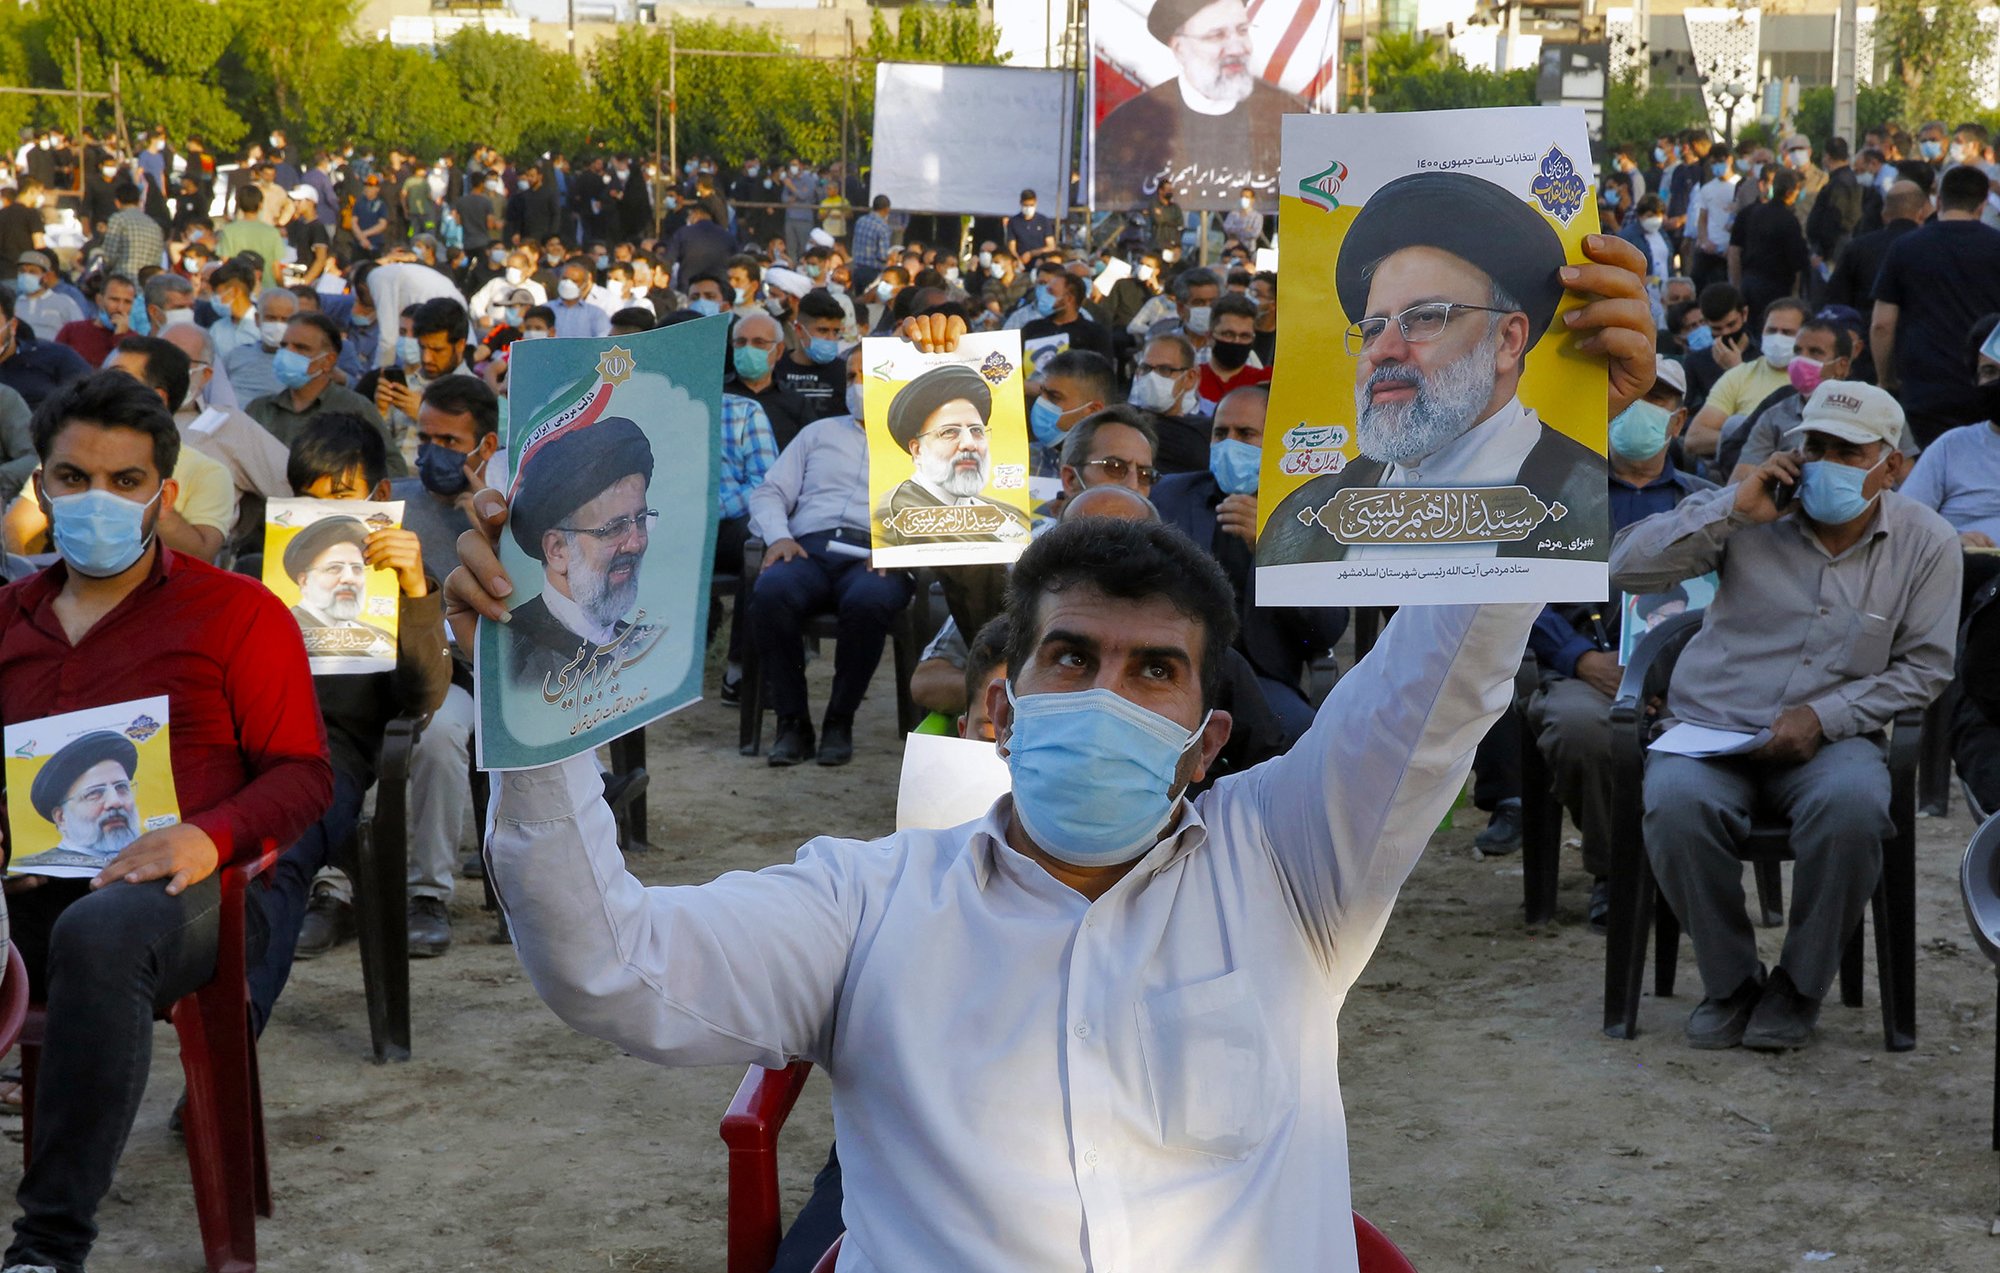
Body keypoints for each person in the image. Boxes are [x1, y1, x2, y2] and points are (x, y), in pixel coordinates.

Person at [0, 372, 331, 1273]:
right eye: (72, 479)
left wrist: (208, 836)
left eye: (125, 481)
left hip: (186, 897)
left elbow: (304, 774)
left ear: (164, 494)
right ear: (39, 486)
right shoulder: (8, 620)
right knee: (68, 923)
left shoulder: (237, 615)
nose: (96, 500)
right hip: (27, 894)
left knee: (101, 930)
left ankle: (48, 1242)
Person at [1610, 380, 1960, 1050]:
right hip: (1714, 722)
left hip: (1833, 737)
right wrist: (1731, 512)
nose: (1823, 462)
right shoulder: (1753, 510)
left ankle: (1799, 986)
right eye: (1815, 446)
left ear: (1894, 466)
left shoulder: (1926, 543)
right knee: (1676, 802)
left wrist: (1823, 716)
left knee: (1855, 806)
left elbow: (1925, 668)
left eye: (1847, 451)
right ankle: (1733, 981)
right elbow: (1624, 567)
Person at [1259, 172, 1609, 565]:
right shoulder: (1304, 516)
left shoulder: (1590, 501)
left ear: (1508, 340)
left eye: (1425, 318)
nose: (1383, 351)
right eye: (1374, 329)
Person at [253, 413, 450, 1009]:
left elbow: (421, 701)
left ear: (380, 496)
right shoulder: (254, 568)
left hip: (324, 751)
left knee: (277, 857)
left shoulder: (404, 582)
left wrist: (415, 590)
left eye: (340, 497)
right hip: (239, 740)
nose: (321, 512)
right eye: (307, 501)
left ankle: (233, 1032)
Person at [1523, 356, 1711, 930]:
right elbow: (1520, 589)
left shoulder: (1708, 503)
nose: (1638, 410)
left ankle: (1688, 872)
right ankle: (1617, 872)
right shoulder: (1553, 492)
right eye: (1628, 394)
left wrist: (1681, 677)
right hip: (1590, 668)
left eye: (1656, 399)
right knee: (1581, 730)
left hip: (1694, 677)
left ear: (1676, 422)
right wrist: (1578, 659)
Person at [745, 345, 915, 767]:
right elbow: (770, 492)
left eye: (869, 376)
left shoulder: (921, 443)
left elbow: (940, 510)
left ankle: (840, 720)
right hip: (808, 548)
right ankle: (792, 723)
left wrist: (901, 549)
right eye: (852, 375)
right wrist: (779, 537)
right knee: (771, 591)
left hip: (875, 556)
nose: (858, 386)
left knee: (870, 601)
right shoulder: (818, 434)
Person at [1153, 383, 1346, 741]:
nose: (1229, 445)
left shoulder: (1312, 510)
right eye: (1220, 433)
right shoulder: (1172, 493)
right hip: (1171, 668)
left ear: (1273, 440)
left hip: (1260, 682)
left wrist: (1274, 547)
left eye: (1245, 434)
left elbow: (1327, 628)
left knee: (1300, 735)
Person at [501, 416, 662, 699]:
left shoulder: (646, 641)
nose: (635, 543)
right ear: (557, 549)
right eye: (614, 528)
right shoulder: (513, 656)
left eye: (640, 520)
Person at [1093, 0, 1301, 207]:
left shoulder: (1289, 112)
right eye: (1217, 35)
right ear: (1179, 48)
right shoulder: (1127, 124)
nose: (1237, 48)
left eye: (1242, 30)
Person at [1871, 164, 2000, 445]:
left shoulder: (1905, 247)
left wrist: (1886, 378)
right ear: (1982, 205)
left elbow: (1882, 324)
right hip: (1986, 388)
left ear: (1939, 201)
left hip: (1924, 389)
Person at [873, 363, 1033, 547]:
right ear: (917, 450)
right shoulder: (894, 514)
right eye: (949, 432)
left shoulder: (1010, 514)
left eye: (976, 430)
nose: (969, 444)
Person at [245, 312, 405, 475]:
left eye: (301, 348)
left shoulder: (355, 408)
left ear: (328, 361)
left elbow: (395, 468)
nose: (288, 354)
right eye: (284, 346)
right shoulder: (259, 410)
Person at [1683, 296, 1807, 462]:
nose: (1777, 339)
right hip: (1740, 474)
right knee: (1735, 423)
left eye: (1787, 333)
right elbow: (1695, 438)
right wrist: (1753, 441)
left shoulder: (1817, 379)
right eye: (1771, 330)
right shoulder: (1739, 375)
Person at [18, 732, 150, 875]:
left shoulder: (155, 851)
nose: (115, 802)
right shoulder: (38, 870)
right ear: (61, 818)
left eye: (121, 787)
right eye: (94, 794)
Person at [1825, 180, 1925, 313]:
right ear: (1921, 214)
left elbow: (1836, 298)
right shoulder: (1933, 248)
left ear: (1884, 214)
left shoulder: (1858, 247)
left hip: (1865, 326)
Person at [1727, 168, 1810, 323]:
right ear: (1791, 192)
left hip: (1749, 282)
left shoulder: (1752, 213)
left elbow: (1735, 250)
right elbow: (1797, 261)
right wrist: (1795, 293)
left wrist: (1737, 284)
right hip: (1775, 286)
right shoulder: (1788, 220)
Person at [771, 289, 850, 423]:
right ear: (799, 330)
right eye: (822, 330)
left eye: (835, 331)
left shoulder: (845, 372)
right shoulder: (775, 368)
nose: (830, 338)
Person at [223, 286, 298, 404]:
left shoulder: (301, 364)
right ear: (258, 319)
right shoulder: (236, 355)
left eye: (285, 319)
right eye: (271, 318)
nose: (278, 325)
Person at [1194, 292, 1269, 411]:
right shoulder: (1191, 379)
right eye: (1228, 334)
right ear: (1209, 337)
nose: (1236, 341)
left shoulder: (1266, 381)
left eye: (1245, 336)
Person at [53, 273, 138, 368]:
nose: (120, 308)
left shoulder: (135, 341)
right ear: (99, 300)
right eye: (114, 300)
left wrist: (120, 337)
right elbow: (54, 363)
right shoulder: (72, 330)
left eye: (127, 302)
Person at [1688, 143, 1739, 290]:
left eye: (1720, 161)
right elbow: (1702, 218)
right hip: (1710, 249)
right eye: (1713, 163)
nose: (1717, 166)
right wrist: (1704, 241)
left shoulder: (1739, 185)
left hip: (1730, 249)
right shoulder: (1707, 189)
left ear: (1729, 160)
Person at [213, 184, 285, 288]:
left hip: (240, 289)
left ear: (239, 204)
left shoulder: (229, 230)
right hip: (266, 288)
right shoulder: (272, 232)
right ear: (260, 205)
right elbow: (276, 268)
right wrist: (282, 289)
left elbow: (225, 262)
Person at [99, 182, 163, 280]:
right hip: (147, 283)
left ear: (117, 202)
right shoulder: (154, 225)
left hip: (122, 281)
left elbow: (109, 257)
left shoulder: (118, 220)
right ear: (138, 201)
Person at [12, 250, 82, 339]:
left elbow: (80, 333)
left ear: (45, 277)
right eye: (22, 271)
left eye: (32, 272)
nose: (26, 275)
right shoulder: (12, 304)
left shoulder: (64, 302)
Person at [850, 195, 895, 291]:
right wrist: (891, 256)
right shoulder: (883, 227)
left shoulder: (860, 221)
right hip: (872, 272)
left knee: (858, 301)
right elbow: (882, 256)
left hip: (857, 268)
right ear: (886, 209)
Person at [1004, 190, 1058, 265]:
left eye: (1031, 205)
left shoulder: (1043, 220)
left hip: (1040, 260)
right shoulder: (1013, 222)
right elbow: (1012, 246)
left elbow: (1051, 246)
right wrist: (1018, 259)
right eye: (1026, 205)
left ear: (1036, 203)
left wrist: (1031, 253)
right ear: (1021, 203)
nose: (1028, 208)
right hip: (1020, 261)